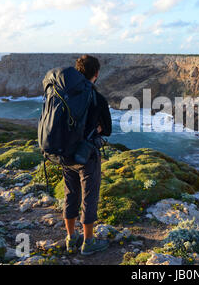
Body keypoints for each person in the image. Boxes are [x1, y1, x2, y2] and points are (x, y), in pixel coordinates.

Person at [63, 55, 112, 256]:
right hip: (87, 155)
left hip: (65, 153)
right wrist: (97, 128)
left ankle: (71, 237)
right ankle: (89, 241)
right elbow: (107, 129)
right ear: (96, 73)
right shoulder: (97, 98)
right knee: (89, 196)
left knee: (70, 194)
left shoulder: (65, 93)